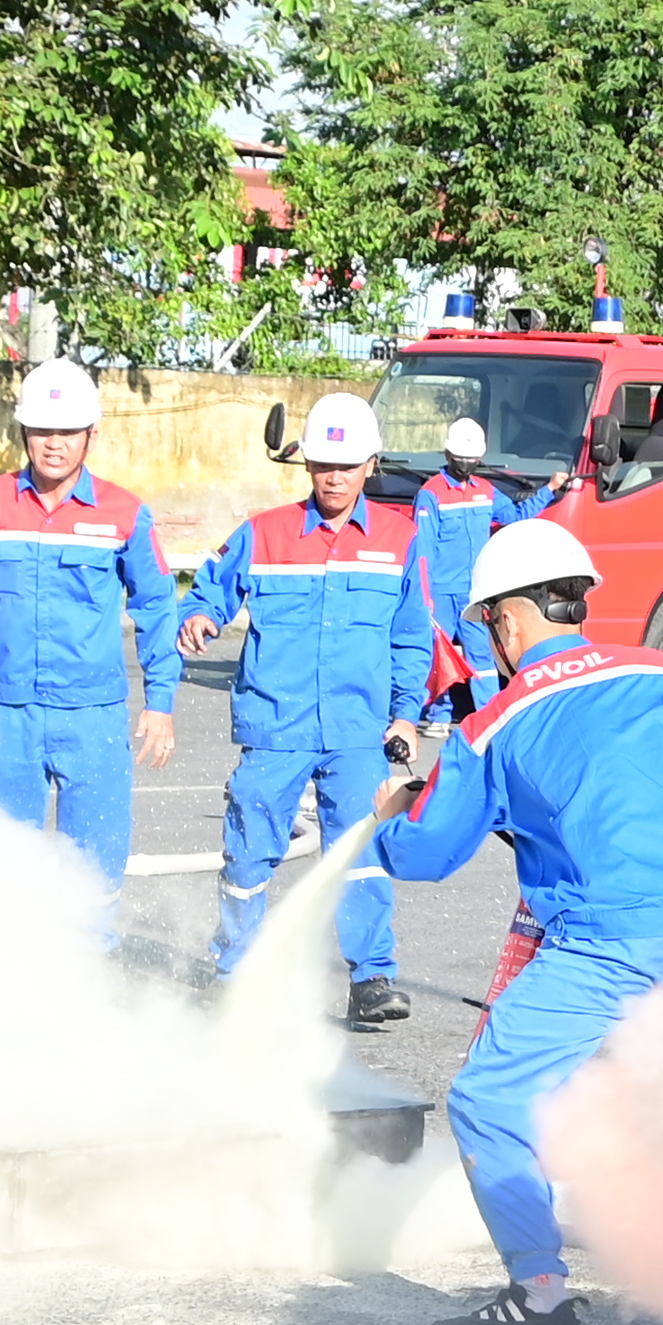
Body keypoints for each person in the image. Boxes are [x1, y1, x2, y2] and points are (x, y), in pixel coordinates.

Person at [371, 518, 663, 1325]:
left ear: (508, 622)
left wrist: (388, 817)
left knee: (489, 1098)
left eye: (487, 627)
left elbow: (429, 854)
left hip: (613, 941)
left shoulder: (494, 724)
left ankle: (540, 1298)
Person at [180, 391, 410, 1029]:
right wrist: (199, 617)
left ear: (370, 464)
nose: (333, 476)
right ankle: (232, 971)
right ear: (306, 466)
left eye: (346, 464)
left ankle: (370, 979)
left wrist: (405, 713)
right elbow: (209, 593)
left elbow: (412, 636)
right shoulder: (263, 534)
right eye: (321, 465)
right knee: (249, 852)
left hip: (358, 732)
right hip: (276, 728)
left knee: (363, 850)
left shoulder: (399, 540)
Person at [0, 360, 181, 903]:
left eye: (67, 432)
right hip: (7, 714)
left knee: (94, 867)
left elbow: (157, 606)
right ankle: (10, 975)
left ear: (91, 436)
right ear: (23, 434)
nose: (54, 444)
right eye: (42, 430)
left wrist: (161, 701)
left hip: (92, 716)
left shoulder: (124, 514)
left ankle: (89, 970)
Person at [395, 416, 573, 721]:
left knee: (483, 656)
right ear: (449, 455)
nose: (466, 464)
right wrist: (424, 597)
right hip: (440, 591)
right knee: (436, 655)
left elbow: (516, 516)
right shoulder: (431, 493)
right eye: (461, 458)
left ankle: (491, 716)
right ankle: (434, 717)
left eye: (472, 459)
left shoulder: (486, 490)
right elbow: (422, 552)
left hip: (473, 592)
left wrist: (549, 489)